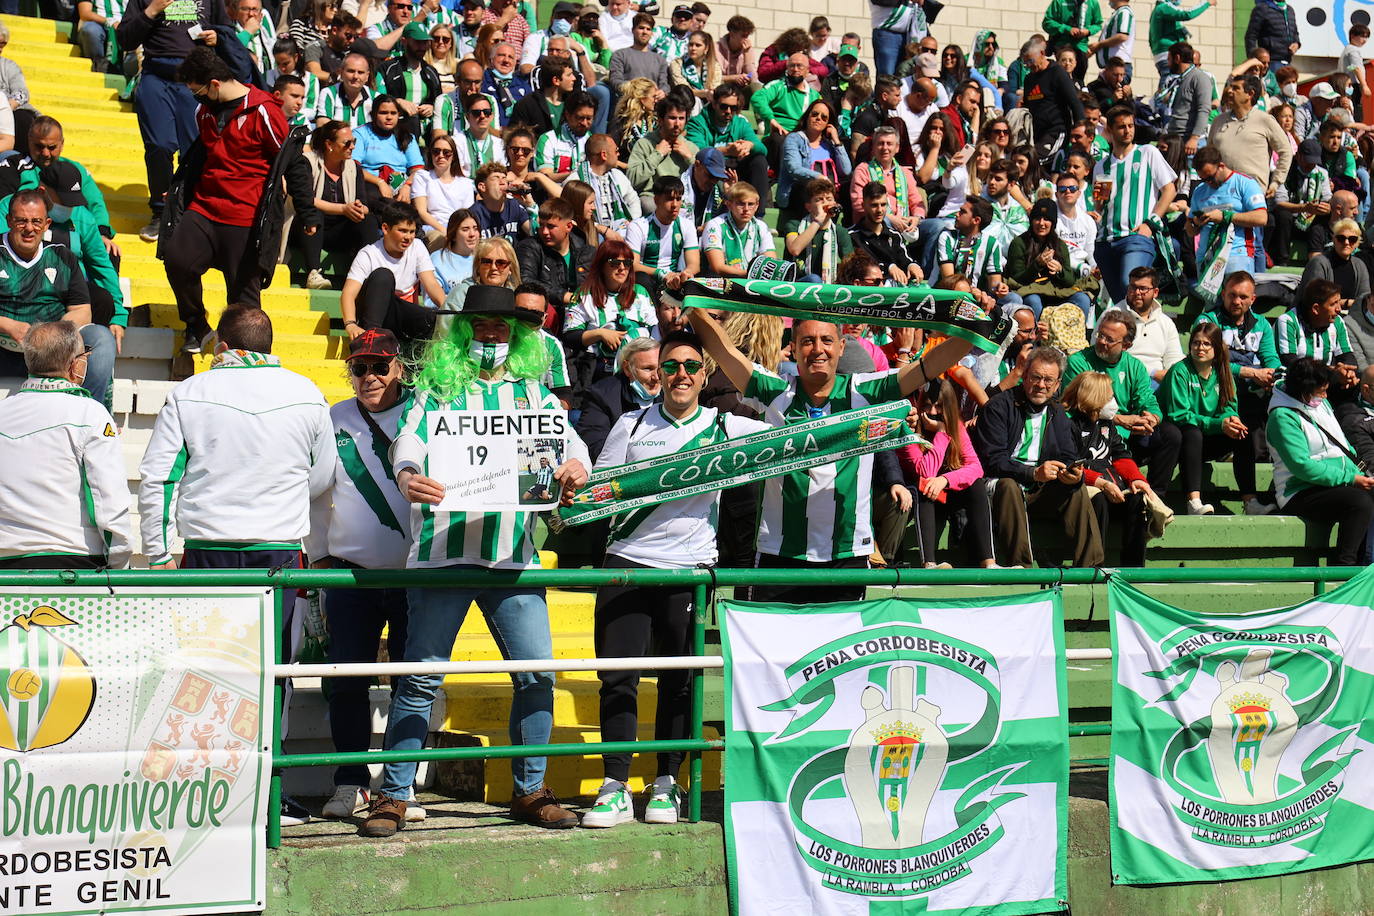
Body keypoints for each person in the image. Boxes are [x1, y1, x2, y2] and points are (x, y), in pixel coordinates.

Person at [360, 285, 591, 837]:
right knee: (419, 681)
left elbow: (572, 444)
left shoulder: (534, 393)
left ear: (516, 335)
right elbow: (407, 443)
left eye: (501, 327)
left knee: (537, 674)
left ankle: (531, 790)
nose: (491, 334)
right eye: (481, 325)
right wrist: (408, 476)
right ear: (464, 331)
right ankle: (392, 796)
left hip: (513, 557)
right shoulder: (437, 389)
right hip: (443, 557)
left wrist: (576, 468)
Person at [581, 330, 770, 829]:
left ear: (704, 374)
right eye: (671, 366)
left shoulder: (728, 426)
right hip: (626, 564)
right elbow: (599, 491)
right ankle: (616, 785)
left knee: (678, 682)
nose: (681, 374)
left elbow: (793, 438)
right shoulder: (630, 423)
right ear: (656, 373)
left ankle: (667, 783)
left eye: (691, 365)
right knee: (617, 679)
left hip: (688, 570)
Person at [689, 309, 974, 603]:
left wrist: (977, 326)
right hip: (780, 552)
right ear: (794, 347)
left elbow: (930, 364)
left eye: (826, 340)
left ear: (841, 346)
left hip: (846, 555)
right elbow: (722, 349)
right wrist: (688, 299)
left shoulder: (866, 390)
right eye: (808, 341)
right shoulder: (775, 390)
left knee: (838, 649)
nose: (818, 349)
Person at [303, 328, 419, 822]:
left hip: (419, 574)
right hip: (352, 576)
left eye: (379, 365)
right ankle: (350, 781)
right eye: (359, 367)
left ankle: (401, 785)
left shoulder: (427, 412)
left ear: (399, 368)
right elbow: (313, 490)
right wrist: (319, 555)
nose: (369, 376)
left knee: (411, 683)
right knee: (347, 680)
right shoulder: (334, 418)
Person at [140, 305, 333, 577]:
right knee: (277, 623)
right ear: (268, 345)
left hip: (206, 550)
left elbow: (159, 478)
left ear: (223, 346)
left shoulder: (187, 392)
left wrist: (158, 553)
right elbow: (321, 477)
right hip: (280, 549)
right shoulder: (309, 394)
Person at [159, 48, 288, 354]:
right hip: (204, 206)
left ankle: (250, 357)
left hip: (246, 214)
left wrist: (305, 212)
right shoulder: (202, 112)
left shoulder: (265, 111)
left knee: (244, 300)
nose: (196, 98)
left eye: (198, 91)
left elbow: (287, 158)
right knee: (176, 258)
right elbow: (201, 156)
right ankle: (197, 326)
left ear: (214, 84)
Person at [0, 321, 129, 569]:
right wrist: (119, 563)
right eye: (85, 354)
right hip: (72, 563)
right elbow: (107, 499)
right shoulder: (90, 413)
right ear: (74, 364)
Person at [974, 346, 1105, 568]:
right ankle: (1022, 568)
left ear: (1057, 384)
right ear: (1024, 376)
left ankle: (1090, 568)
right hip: (999, 486)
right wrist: (1032, 472)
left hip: (1039, 490)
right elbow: (992, 460)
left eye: (1048, 380)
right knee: (1009, 485)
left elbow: (1067, 454)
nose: (1041, 385)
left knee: (1076, 488)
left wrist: (1071, 474)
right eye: (1036, 377)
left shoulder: (1058, 412)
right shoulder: (998, 407)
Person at [118, 0, 229, 242]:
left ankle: (189, 212)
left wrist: (217, 38)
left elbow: (227, 31)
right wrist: (152, 10)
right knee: (160, 146)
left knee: (195, 150)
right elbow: (125, 40)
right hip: (156, 78)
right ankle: (160, 211)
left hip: (197, 82)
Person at [0, 191, 115, 406]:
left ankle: (90, 414)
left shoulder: (63, 256)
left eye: (36, 221)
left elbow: (82, 310)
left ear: (47, 224)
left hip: (51, 355)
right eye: (21, 221)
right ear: (8, 220)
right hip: (4, 348)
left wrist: (50, 335)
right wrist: (8, 325)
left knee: (100, 338)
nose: (29, 228)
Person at [1267, 357, 1374, 566]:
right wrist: (1351, 478)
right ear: (1304, 391)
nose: (1325, 396)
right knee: (1358, 502)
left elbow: (1342, 445)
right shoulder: (1282, 417)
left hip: (1334, 483)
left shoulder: (1320, 403)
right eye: (1321, 392)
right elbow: (1302, 466)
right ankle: (1344, 568)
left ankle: (1367, 565)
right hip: (1299, 491)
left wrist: (1359, 475)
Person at [1064, 308, 1182, 493]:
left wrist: (1152, 418)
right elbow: (1079, 406)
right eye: (1100, 335)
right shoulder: (1079, 362)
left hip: (1128, 435)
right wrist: (1119, 419)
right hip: (1091, 434)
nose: (1101, 341)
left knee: (1171, 435)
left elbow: (1148, 401)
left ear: (1126, 345)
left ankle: (1153, 495)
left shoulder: (1134, 366)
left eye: (1109, 339)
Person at [1194, 271, 1280, 514]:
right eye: (1232, 295)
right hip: (1212, 392)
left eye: (1243, 297)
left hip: (1248, 396)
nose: (1236, 301)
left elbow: (1270, 358)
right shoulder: (1207, 320)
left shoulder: (1262, 324)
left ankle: (1255, 499)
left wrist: (1270, 375)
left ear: (1252, 299)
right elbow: (1207, 361)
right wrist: (1251, 372)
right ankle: (1251, 498)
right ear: (1223, 294)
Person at [895, 379, 996, 568]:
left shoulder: (956, 428)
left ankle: (989, 562)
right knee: (925, 487)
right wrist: (942, 433)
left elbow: (976, 467)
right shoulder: (907, 432)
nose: (933, 412)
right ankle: (929, 564)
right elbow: (925, 472)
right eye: (927, 406)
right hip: (921, 499)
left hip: (947, 495)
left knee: (976, 484)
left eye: (939, 407)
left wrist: (945, 480)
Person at [1059, 369, 1153, 565]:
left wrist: (1136, 478)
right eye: (1109, 397)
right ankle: (1095, 564)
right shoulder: (1068, 424)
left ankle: (1134, 568)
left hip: (1113, 485)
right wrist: (1100, 483)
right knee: (1098, 499)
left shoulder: (1107, 424)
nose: (1113, 403)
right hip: (1084, 487)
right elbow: (1070, 466)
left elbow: (1120, 454)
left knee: (1137, 499)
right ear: (1095, 398)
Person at [1156, 322, 1248, 515]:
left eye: (1207, 344)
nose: (1200, 348)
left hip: (1205, 436)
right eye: (1196, 343)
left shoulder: (1222, 371)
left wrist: (1231, 420)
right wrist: (1218, 424)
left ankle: (1250, 500)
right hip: (1176, 441)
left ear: (1216, 348)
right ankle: (1194, 502)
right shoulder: (1179, 371)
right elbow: (1179, 415)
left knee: (1242, 434)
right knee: (1192, 432)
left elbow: (1229, 406)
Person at [1093, 104, 1178, 304]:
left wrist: (1151, 223)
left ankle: (1153, 329)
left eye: (1131, 125)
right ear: (1110, 131)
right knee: (1122, 302)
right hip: (1106, 240)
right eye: (1122, 126)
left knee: (1131, 287)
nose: (1128, 130)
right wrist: (1099, 202)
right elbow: (1100, 207)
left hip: (1135, 236)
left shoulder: (1148, 152)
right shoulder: (1101, 165)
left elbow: (1169, 189)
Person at [341, 201, 448, 343]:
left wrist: (448, 309)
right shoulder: (368, 254)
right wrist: (350, 324)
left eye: (412, 232)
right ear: (385, 228)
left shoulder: (417, 246)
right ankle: (370, 340)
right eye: (402, 231)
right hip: (375, 316)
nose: (408, 237)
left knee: (432, 319)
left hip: (401, 315)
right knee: (383, 276)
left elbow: (431, 285)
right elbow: (348, 293)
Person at [298, 120, 385, 291]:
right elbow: (306, 199)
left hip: (339, 231)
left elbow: (365, 205)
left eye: (354, 142)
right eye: (347, 143)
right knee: (314, 213)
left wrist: (358, 208)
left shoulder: (354, 167)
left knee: (367, 220)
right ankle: (313, 273)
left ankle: (368, 276)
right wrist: (343, 209)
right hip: (307, 230)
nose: (352, 147)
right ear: (329, 144)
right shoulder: (307, 162)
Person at [1187, 145, 1270, 276]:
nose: (1208, 183)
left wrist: (1226, 216)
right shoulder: (1200, 190)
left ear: (1221, 166)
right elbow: (1190, 230)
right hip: (1205, 258)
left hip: (1237, 254)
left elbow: (1261, 218)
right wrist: (1196, 222)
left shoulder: (1245, 183)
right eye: (1203, 179)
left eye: (1210, 177)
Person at [1005, 198, 1092, 321]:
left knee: (1082, 299)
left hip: (1056, 292)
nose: (1041, 223)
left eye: (1046, 219)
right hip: (1031, 290)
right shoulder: (1019, 243)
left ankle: (1077, 337)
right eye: (1037, 218)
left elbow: (1070, 281)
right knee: (1033, 300)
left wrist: (1059, 270)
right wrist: (1037, 264)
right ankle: (1033, 337)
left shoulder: (1060, 245)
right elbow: (1017, 278)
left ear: (1053, 223)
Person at [1208, 73, 1292, 197]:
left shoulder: (1265, 120)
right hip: (1220, 192)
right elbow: (1209, 155)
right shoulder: (1218, 121)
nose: (1229, 91)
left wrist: (1276, 182)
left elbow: (1285, 151)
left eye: (1236, 88)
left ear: (1250, 94)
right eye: (1230, 87)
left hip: (1252, 194)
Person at [576, 335, 660, 458]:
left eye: (660, 369)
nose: (656, 377)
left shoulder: (672, 392)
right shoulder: (602, 395)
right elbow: (595, 445)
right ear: (627, 368)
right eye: (648, 369)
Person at [1276, 279, 1359, 403]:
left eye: (1339, 303)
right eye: (1333, 304)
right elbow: (1292, 364)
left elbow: (1346, 355)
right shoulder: (1288, 321)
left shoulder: (1337, 322)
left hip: (1327, 384)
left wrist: (1348, 372)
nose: (1339, 309)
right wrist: (1333, 372)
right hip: (1297, 388)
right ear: (1316, 308)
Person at [686, 85, 769, 206]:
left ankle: (758, 214)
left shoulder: (740, 122)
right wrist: (726, 151)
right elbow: (698, 151)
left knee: (759, 160)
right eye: (724, 106)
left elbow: (763, 149)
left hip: (735, 167)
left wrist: (749, 145)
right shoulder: (697, 123)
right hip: (712, 169)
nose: (729, 111)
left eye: (733, 108)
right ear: (714, 104)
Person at [515, 197, 593, 320]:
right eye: (541, 225)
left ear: (568, 226)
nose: (544, 232)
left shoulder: (585, 250)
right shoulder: (529, 247)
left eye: (551, 226)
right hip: (547, 315)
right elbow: (526, 280)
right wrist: (564, 296)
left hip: (582, 314)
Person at [937, 197, 1021, 309]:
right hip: (949, 294)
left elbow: (994, 284)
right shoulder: (947, 237)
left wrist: (1000, 287)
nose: (957, 214)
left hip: (978, 297)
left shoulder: (991, 243)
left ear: (976, 220)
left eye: (962, 212)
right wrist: (971, 291)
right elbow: (949, 279)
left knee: (1014, 299)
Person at [777, 98, 851, 213]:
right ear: (807, 116)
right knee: (802, 187)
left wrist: (836, 141)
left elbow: (846, 171)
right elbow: (794, 169)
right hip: (801, 196)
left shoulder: (829, 145)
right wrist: (819, 177)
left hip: (826, 197)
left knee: (848, 186)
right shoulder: (794, 139)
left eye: (824, 117)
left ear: (828, 123)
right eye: (815, 114)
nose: (818, 119)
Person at [626, 96, 698, 213]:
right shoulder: (644, 144)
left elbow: (704, 181)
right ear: (660, 120)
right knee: (649, 205)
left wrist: (689, 158)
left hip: (683, 199)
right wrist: (657, 155)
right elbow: (632, 179)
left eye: (681, 118)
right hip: (654, 198)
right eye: (672, 118)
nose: (677, 124)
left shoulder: (690, 147)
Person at [752, 52, 821, 168]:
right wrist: (771, 119)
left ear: (808, 70)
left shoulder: (814, 96)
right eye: (791, 66)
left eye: (800, 66)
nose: (795, 69)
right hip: (778, 136)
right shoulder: (778, 86)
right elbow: (757, 98)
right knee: (780, 140)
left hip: (802, 137)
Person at [1116, 266, 1182, 384]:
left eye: (1143, 288)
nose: (1137, 292)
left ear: (1155, 292)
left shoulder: (1165, 323)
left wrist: (1171, 376)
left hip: (1158, 382)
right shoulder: (1113, 316)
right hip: (1124, 379)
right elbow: (1106, 356)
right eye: (1133, 287)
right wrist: (1151, 373)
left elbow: (1175, 360)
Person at [1020, 36, 1083, 159]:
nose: (1028, 66)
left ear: (1042, 54)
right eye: (1025, 63)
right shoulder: (1029, 79)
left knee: (1035, 159)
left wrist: (1080, 128)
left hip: (1056, 131)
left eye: (1031, 61)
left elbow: (1074, 102)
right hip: (1036, 133)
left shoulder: (1057, 73)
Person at [848, 181, 921, 285]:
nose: (879, 210)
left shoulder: (894, 235)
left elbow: (904, 258)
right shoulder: (853, 236)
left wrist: (912, 266)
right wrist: (889, 267)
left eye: (883, 205)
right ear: (863, 205)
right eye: (874, 205)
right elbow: (862, 266)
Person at [376, 22, 442, 137]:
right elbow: (377, 98)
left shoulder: (431, 72)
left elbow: (440, 100)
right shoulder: (387, 68)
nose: (422, 47)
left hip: (424, 134)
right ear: (404, 41)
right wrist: (398, 102)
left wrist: (432, 107)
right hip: (394, 131)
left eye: (425, 42)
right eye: (417, 42)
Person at [784, 178, 854, 284]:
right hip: (798, 282)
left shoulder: (840, 231)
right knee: (814, 279)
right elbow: (795, 249)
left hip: (828, 284)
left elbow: (849, 265)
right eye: (819, 200)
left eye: (829, 199)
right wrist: (818, 221)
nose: (825, 203)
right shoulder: (794, 225)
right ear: (808, 207)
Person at [412, 133, 476, 245]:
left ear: (453, 156)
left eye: (446, 153)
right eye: (436, 151)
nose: (441, 156)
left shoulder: (466, 183)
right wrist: (445, 231)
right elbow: (422, 212)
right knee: (441, 240)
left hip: (459, 229)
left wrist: (456, 233)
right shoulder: (422, 177)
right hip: (432, 228)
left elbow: (466, 215)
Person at [700, 182, 774, 278]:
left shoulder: (761, 227)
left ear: (757, 206)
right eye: (741, 204)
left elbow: (771, 262)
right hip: (719, 283)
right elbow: (718, 267)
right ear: (729, 204)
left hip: (750, 283)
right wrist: (751, 274)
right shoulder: (715, 225)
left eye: (750, 204)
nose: (746, 209)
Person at [1297, 220, 1370, 315]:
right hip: (1318, 319)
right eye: (1341, 238)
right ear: (1334, 239)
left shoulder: (1360, 265)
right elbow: (1315, 299)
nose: (1346, 242)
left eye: (1352, 239)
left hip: (1350, 319)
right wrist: (1346, 303)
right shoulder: (1319, 263)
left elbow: (1364, 299)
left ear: (1357, 243)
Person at [1159, 42, 1211, 170]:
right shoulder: (1179, 80)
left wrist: (1194, 138)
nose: (1168, 63)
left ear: (1177, 58)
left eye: (1169, 59)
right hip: (1176, 141)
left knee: (1189, 184)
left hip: (1189, 144)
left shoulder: (1199, 78)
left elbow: (1203, 109)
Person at [534, 89, 597, 183]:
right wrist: (578, 174)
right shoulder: (548, 140)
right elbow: (545, 178)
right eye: (580, 118)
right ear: (567, 115)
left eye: (589, 118)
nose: (584, 123)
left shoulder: (593, 140)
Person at [471, 162, 532, 242]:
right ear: (482, 187)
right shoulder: (474, 215)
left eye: (504, 178)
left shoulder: (513, 205)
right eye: (496, 178)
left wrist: (530, 203)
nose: (502, 182)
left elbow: (533, 232)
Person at [448, 93, 505, 177]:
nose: (482, 116)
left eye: (486, 112)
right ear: (467, 116)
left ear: (492, 116)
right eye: (476, 113)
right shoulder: (456, 142)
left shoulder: (500, 144)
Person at [1148, 0, 1210, 77]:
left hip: (1165, 56)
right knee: (1170, 84)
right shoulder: (1163, 8)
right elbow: (1187, 14)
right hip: (1168, 55)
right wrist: (1207, 3)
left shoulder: (1160, 9)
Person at [984, 158, 1030, 257]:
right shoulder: (980, 205)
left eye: (998, 179)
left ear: (1011, 184)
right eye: (990, 177)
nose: (992, 182)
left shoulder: (1018, 211)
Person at [316, 51, 376, 127]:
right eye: (351, 71)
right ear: (341, 73)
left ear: (367, 76)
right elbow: (322, 125)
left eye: (360, 72)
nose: (355, 76)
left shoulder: (375, 98)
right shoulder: (329, 93)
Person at [668, 29, 719, 111]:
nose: (693, 48)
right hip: (683, 103)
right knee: (696, 101)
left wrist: (708, 94)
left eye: (698, 45)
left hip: (709, 102)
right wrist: (705, 93)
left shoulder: (714, 65)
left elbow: (714, 89)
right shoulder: (677, 63)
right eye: (691, 44)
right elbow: (684, 90)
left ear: (706, 48)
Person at [431, 207, 479, 292]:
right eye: (465, 229)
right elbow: (431, 300)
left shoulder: (485, 258)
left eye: (475, 228)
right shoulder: (437, 259)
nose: (472, 234)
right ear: (453, 235)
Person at [1245, 0, 1298, 70]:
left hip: (1287, 62)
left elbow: (1295, 33)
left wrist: (1296, 43)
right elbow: (1251, 36)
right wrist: (1253, 61)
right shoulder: (1262, 9)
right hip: (1271, 63)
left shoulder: (1290, 10)